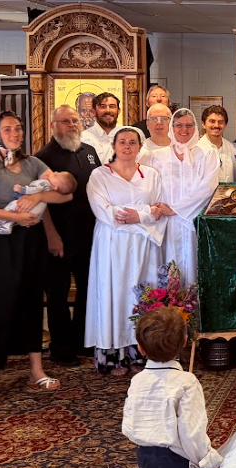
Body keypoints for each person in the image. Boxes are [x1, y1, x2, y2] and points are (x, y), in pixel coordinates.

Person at [0, 111, 70, 410]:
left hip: (30, 243)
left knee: (31, 303)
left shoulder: (33, 164)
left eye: (18, 128)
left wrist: (38, 198)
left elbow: (64, 195)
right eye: (8, 129)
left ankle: (36, 370)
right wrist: (15, 216)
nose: (15, 134)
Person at [123, 306, 221, 468]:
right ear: (184, 341)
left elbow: (129, 425)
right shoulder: (186, 382)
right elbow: (191, 433)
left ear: (140, 348)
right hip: (177, 462)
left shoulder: (137, 381)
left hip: (146, 459)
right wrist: (209, 462)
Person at [86, 126, 167, 376]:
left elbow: (159, 209)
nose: (127, 147)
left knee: (141, 295)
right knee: (115, 295)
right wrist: (142, 213)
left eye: (133, 142)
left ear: (140, 147)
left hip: (143, 246)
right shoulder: (100, 175)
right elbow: (103, 210)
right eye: (122, 142)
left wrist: (139, 215)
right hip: (113, 245)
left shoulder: (151, 175)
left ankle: (141, 353)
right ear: (113, 146)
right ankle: (114, 357)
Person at [35, 105, 103, 367]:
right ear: (53, 125)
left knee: (88, 289)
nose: (72, 125)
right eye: (65, 121)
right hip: (59, 238)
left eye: (75, 121)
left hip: (88, 235)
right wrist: (52, 236)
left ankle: (83, 342)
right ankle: (61, 349)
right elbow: (40, 202)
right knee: (58, 294)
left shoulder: (89, 152)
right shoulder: (44, 158)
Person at [142, 108, 220, 285]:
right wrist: (155, 208)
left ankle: (193, 302)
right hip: (165, 224)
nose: (184, 129)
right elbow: (147, 185)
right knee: (168, 269)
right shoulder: (156, 157)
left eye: (189, 125)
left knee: (193, 267)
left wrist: (175, 209)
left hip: (193, 221)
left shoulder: (207, 153)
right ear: (172, 127)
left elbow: (208, 187)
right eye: (179, 125)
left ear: (196, 127)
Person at [0, 170, 77, 234]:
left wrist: (22, 189)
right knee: (16, 215)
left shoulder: (45, 184)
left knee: (13, 206)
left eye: (56, 175)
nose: (55, 172)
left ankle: (1, 218)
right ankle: (6, 226)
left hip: (29, 208)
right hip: (35, 213)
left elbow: (33, 189)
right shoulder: (50, 188)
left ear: (55, 187)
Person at [197, 105, 236, 183]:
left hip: (229, 191)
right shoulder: (196, 148)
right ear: (203, 124)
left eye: (220, 122)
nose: (216, 125)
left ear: (225, 125)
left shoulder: (233, 149)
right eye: (212, 121)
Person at [81, 92, 122, 163]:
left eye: (112, 106)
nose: (108, 110)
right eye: (103, 107)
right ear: (93, 112)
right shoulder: (83, 138)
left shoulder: (129, 134)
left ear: (118, 111)